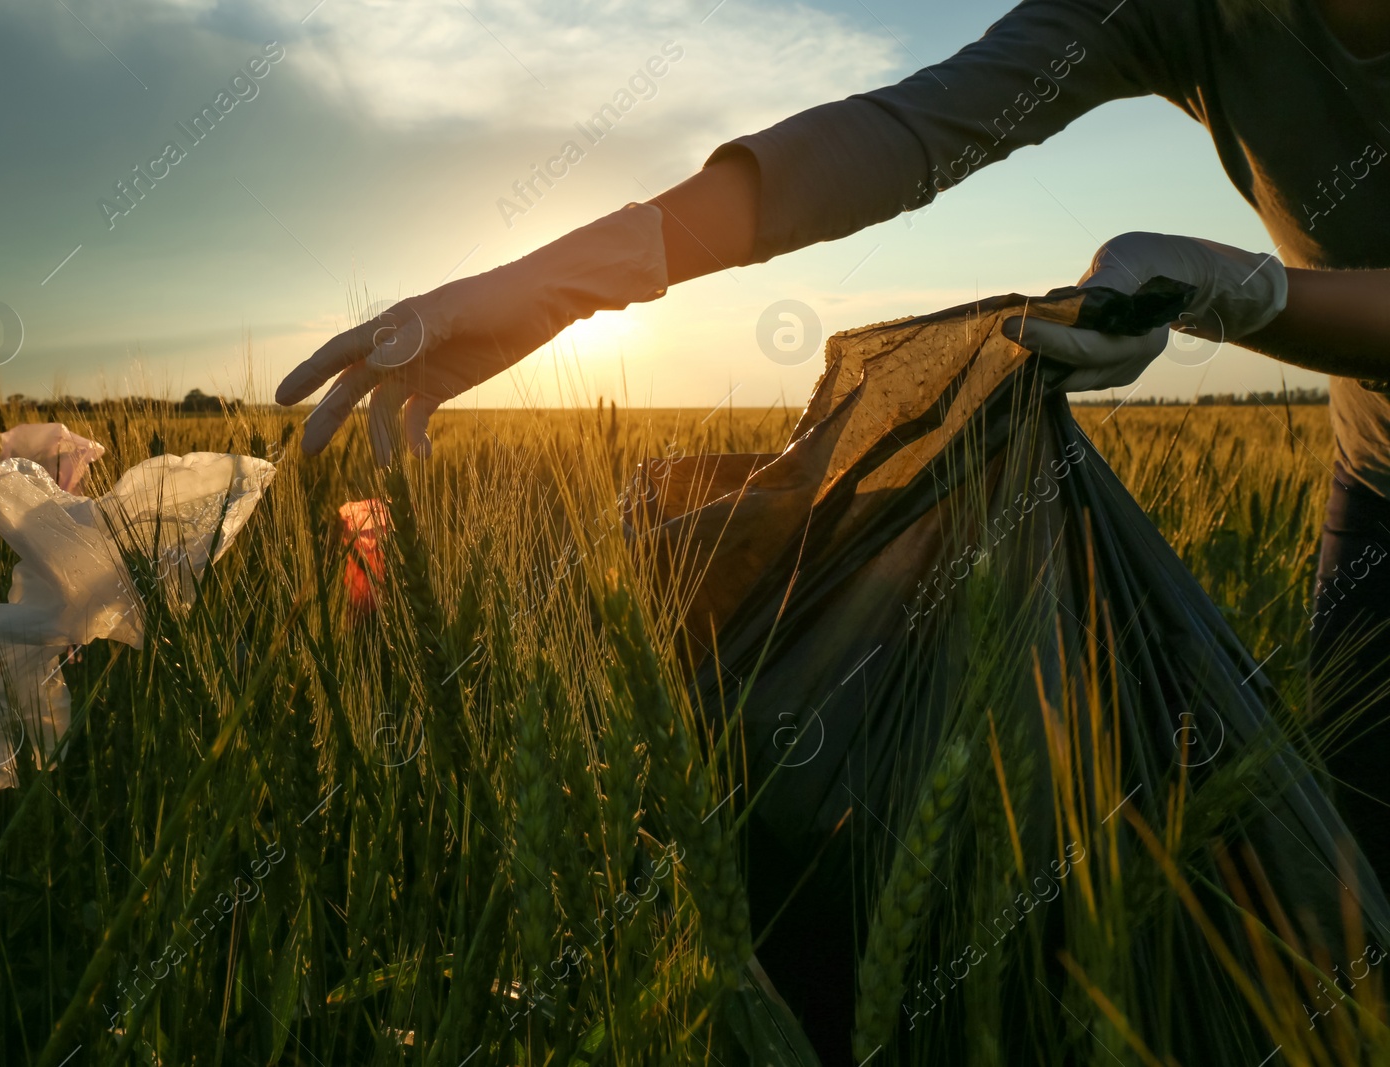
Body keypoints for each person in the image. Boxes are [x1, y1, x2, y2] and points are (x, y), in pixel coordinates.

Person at [277, 0, 1390, 1054]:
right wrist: (552, 284)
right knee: (1351, 876)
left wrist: (1239, 290)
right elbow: (906, 131)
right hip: (1378, 477)